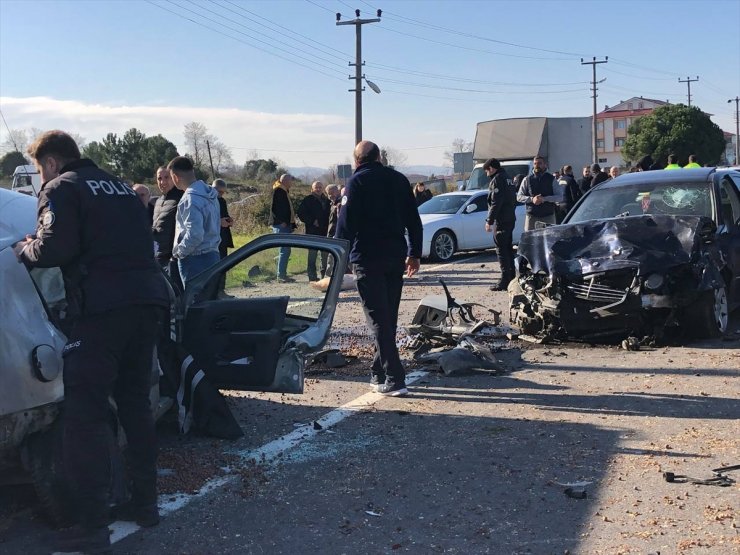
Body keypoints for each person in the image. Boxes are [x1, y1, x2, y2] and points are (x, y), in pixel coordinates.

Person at [13, 130, 168, 552]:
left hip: (102, 313)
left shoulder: (61, 188)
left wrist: (23, 249)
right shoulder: (118, 186)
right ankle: (145, 504)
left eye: (41, 170)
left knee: (85, 417)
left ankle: (91, 524)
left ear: (49, 163)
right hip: (148, 302)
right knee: (135, 404)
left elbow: (53, 248)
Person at [335, 140, 423, 397]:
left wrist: (337, 258)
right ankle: (378, 372)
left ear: (357, 161)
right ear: (379, 158)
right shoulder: (399, 180)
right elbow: (413, 221)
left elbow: (345, 224)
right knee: (388, 318)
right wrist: (414, 253)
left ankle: (396, 378)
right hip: (394, 257)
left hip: (367, 257)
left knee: (378, 320)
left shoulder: (356, 182)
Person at [168, 156, 221, 287]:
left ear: (175, 177)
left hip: (195, 259)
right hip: (213, 255)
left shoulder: (190, 199)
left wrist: (179, 252)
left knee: (194, 303)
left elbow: (195, 234)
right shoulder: (210, 194)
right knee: (209, 302)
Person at [483, 158, 516, 291]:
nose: (486, 174)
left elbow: (496, 202)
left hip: (502, 220)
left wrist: (489, 221)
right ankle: (512, 277)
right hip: (510, 218)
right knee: (508, 248)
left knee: (501, 249)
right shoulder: (507, 178)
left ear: (491, 168)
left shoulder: (497, 179)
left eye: (486, 171)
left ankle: (505, 279)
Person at [152, 165, 184, 289]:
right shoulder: (158, 201)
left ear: (174, 178)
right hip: (158, 258)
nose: (162, 182)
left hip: (173, 260)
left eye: (166, 177)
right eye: (159, 178)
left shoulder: (181, 198)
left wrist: (174, 257)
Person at [297, 181, 330, 281]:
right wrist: (312, 221)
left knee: (325, 255)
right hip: (312, 231)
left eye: (320, 187)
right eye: (316, 187)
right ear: (312, 189)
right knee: (312, 254)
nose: (318, 189)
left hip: (324, 231)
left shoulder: (327, 200)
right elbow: (301, 213)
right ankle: (312, 276)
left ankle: (324, 275)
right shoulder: (308, 200)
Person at [516, 156, 559, 231]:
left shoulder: (551, 179)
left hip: (548, 216)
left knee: (550, 239)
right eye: (535, 163)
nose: (537, 165)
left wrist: (544, 199)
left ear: (545, 165)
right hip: (532, 216)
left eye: (539, 163)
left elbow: (560, 197)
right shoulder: (527, 179)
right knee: (531, 241)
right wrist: (532, 199)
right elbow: (519, 197)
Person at [269, 173, 296, 282]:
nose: (292, 183)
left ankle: (282, 273)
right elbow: (274, 208)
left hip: (285, 224)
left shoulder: (284, 190)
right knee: (284, 250)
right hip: (281, 225)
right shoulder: (278, 191)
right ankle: (281, 275)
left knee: (286, 250)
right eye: (290, 181)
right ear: (285, 181)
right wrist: (282, 221)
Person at [212, 179, 234, 297]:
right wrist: (219, 222)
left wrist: (229, 220)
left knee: (223, 265)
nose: (221, 195)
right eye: (220, 192)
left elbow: (224, 215)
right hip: (213, 239)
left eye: (223, 192)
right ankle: (214, 292)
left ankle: (221, 291)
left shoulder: (222, 201)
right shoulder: (208, 201)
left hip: (223, 238)